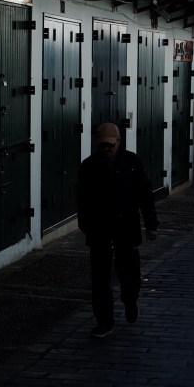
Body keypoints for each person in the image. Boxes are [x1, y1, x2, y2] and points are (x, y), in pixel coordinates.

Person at [76, 122, 159, 338]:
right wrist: (86, 226)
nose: (106, 149)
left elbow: (145, 195)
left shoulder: (132, 162)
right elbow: (82, 199)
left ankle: (130, 300)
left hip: (126, 227)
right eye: (102, 145)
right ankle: (104, 321)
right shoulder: (89, 166)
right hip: (99, 229)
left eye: (110, 145)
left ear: (119, 142)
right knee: (100, 279)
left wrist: (151, 225)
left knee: (130, 274)